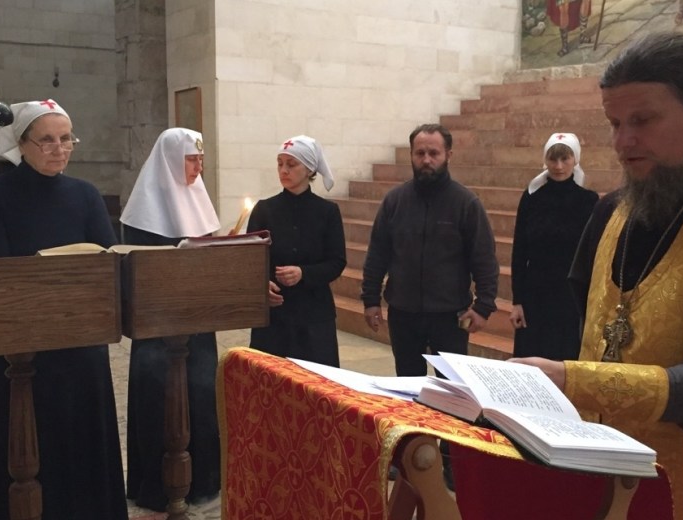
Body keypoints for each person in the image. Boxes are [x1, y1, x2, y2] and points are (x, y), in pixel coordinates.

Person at [512, 32, 683, 520]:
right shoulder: (609, 212)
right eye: (615, 124)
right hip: (601, 471)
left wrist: (578, 380)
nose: (623, 143)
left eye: (642, 121)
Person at [0, 99, 128, 519]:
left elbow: (109, 263)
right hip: (19, 355)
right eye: (47, 140)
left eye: (66, 139)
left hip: (81, 348)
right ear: (21, 144)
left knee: (81, 453)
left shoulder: (86, 194)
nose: (59, 149)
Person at [119, 127, 221, 510]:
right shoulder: (142, 212)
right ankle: (157, 486)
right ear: (171, 161)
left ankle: (204, 480)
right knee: (158, 401)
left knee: (201, 396)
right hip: (158, 327)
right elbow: (138, 272)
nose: (198, 168)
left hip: (198, 319)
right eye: (192, 159)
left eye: (201, 159)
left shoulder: (198, 199)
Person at [361, 123, 499, 377]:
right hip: (403, 314)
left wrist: (483, 307)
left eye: (434, 153)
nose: (426, 160)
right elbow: (377, 254)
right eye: (420, 153)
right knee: (407, 385)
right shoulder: (394, 201)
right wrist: (371, 300)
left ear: (448, 155)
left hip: (450, 316)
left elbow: (484, 258)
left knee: (452, 388)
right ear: (411, 155)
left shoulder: (466, 203)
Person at [247, 135, 346, 367]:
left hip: (314, 315)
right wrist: (261, 284)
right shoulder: (264, 209)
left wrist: (304, 273)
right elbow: (250, 260)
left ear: (309, 169)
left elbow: (337, 261)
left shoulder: (327, 211)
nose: (283, 170)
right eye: (280, 164)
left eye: (291, 164)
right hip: (274, 315)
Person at [509, 132, 598, 360]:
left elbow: (593, 253)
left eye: (565, 159)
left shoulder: (589, 201)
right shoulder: (531, 198)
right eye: (553, 159)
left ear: (575, 159)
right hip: (535, 295)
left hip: (570, 296)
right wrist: (517, 301)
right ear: (545, 160)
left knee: (564, 360)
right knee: (530, 360)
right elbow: (519, 251)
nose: (558, 166)